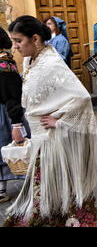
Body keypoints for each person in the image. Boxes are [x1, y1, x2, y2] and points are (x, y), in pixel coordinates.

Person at [4, 15, 97, 227]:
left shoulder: (52, 63)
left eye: (18, 41)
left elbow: (82, 98)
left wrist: (59, 120)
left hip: (57, 135)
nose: (15, 46)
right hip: (41, 134)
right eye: (13, 41)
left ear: (36, 39)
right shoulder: (29, 59)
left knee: (68, 178)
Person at [0, 27, 29, 204]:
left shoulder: (6, 66)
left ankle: (33, 184)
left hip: (6, 115)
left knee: (16, 149)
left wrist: (16, 124)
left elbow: (13, 97)